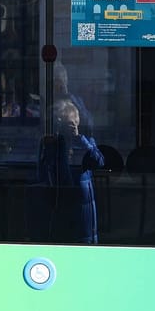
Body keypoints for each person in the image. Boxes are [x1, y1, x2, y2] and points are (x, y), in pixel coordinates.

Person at [39, 96, 104, 243]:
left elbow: (99, 161)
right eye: (66, 125)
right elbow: (43, 173)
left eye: (73, 123)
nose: (70, 128)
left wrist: (79, 139)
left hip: (82, 211)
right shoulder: (53, 144)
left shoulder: (85, 141)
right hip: (59, 207)